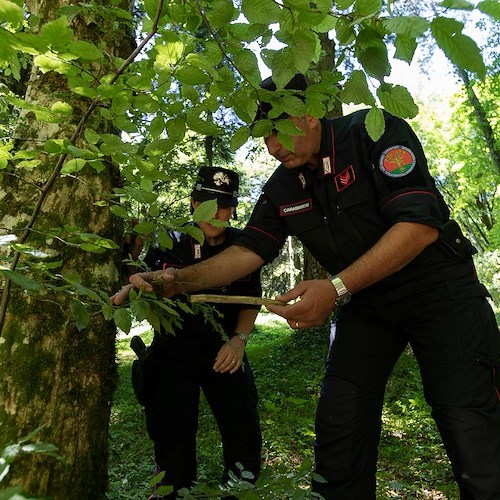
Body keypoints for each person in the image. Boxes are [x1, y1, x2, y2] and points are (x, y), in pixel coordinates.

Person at [113, 75, 500, 499]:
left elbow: (419, 226)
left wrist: (334, 289)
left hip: (438, 289)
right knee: (340, 422)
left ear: (309, 113)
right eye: (263, 137)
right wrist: (176, 281)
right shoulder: (282, 186)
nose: (272, 147)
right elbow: (249, 251)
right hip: (366, 305)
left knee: (469, 420)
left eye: (278, 131)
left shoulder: (373, 132)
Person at [123, 167, 262, 499]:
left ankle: (239, 491)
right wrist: (133, 261)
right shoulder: (167, 240)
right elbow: (137, 280)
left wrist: (238, 341)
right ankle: (172, 491)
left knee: (243, 429)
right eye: (208, 204)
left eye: (225, 206)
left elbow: (251, 299)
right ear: (193, 202)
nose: (216, 214)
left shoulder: (243, 246)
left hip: (224, 351)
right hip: (173, 352)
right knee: (172, 434)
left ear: (234, 208)